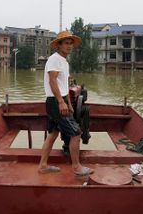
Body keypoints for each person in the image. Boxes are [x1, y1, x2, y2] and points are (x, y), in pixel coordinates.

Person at [38, 30, 94, 176]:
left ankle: (42, 166)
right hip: (55, 102)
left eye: (71, 44)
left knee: (53, 134)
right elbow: (52, 81)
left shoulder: (64, 61)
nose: (69, 46)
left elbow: (64, 87)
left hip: (60, 101)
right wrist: (60, 102)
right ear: (58, 45)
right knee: (76, 133)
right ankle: (76, 167)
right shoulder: (54, 59)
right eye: (66, 43)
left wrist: (68, 103)